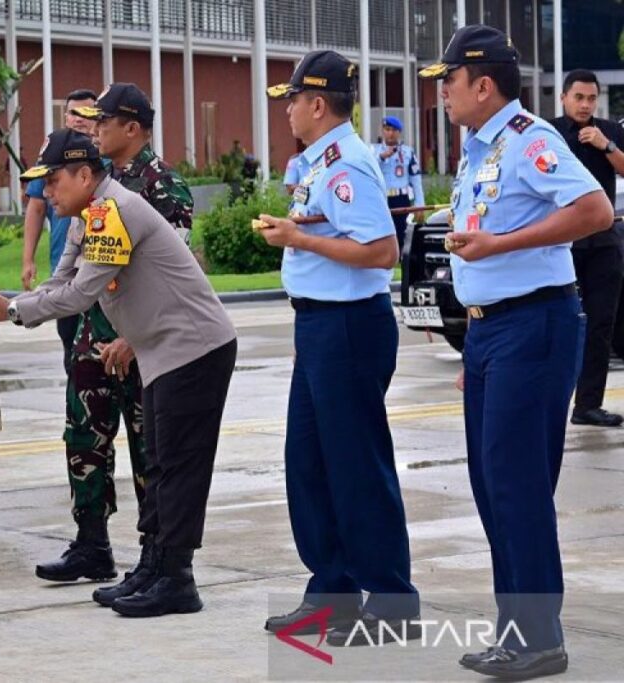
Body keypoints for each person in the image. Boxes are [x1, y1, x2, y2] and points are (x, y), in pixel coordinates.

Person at [0, 129, 237, 618]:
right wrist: (8, 304)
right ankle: (153, 567)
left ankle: (178, 579)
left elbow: (79, 295)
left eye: (53, 181)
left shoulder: (115, 212)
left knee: (175, 467)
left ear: (85, 175)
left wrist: (8, 312)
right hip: (163, 351)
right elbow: (59, 282)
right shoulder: (86, 216)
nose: (47, 193)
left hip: (194, 349)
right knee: (159, 464)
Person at [420, 25, 613, 679]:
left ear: (481, 84)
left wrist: (500, 248)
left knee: (517, 484)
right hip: (491, 334)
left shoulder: (531, 138)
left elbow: (595, 210)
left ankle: (539, 636)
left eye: (447, 81)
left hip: (535, 326)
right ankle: (517, 629)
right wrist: (476, 340)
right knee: (489, 484)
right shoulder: (477, 147)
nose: (441, 93)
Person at [259, 50, 420, 647]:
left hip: (349, 326)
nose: (289, 111)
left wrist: (299, 236)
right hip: (321, 325)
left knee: (354, 465)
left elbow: (382, 251)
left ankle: (391, 597)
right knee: (309, 463)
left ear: (318, 104)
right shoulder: (320, 161)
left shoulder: (348, 163)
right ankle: (332, 591)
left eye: (294, 100)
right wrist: (298, 233)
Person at [60, 83, 195, 606]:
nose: (95, 127)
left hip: (136, 346)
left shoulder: (164, 188)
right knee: (84, 441)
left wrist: (131, 339)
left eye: (105, 120)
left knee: (149, 455)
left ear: (133, 127)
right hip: (93, 337)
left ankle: (153, 559)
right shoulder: (101, 185)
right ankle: (91, 543)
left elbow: (170, 279)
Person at [551, 70, 624, 427]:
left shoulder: (609, 132)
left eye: (591, 98)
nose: (585, 105)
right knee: (555, 323)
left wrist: (606, 146)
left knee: (600, 325)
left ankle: (588, 405)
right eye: (578, 97)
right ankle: (548, 401)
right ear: (564, 97)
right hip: (560, 243)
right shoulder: (545, 132)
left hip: (604, 243)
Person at [22, 88, 98, 373]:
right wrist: (28, 259)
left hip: (99, 271)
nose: (78, 119)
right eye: (72, 113)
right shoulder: (50, 157)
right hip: (64, 270)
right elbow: (36, 208)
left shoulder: (103, 161)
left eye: (85, 113)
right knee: (73, 351)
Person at [372, 116, 425, 251]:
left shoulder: (407, 152)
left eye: (394, 130)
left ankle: (403, 258)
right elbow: (369, 172)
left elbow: (415, 178)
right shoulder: (374, 151)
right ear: (382, 131)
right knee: (383, 232)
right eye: (387, 129)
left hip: (401, 198)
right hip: (382, 199)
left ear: (399, 132)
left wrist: (420, 204)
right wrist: (382, 157)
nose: (390, 133)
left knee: (403, 232)